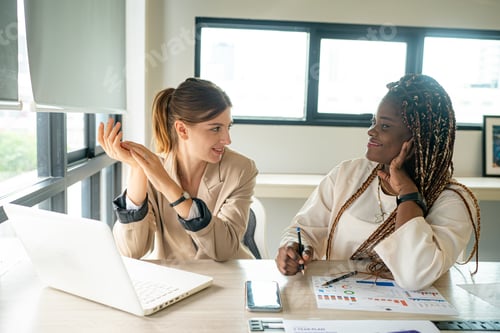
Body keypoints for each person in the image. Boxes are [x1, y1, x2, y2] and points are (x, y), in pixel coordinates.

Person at [275, 74, 480, 290]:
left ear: (417, 139)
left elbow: (415, 276)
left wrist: (408, 195)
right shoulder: (348, 174)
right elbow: (304, 229)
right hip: (343, 299)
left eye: (385, 126)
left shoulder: (452, 200)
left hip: (416, 317)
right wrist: (294, 247)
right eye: (374, 122)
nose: (371, 131)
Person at [98, 77, 258, 260]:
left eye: (228, 127)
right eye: (215, 129)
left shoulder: (241, 169)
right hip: (175, 280)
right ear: (182, 130)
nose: (227, 139)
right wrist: (137, 168)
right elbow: (131, 250)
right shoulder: (151, 170)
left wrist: (168, 186)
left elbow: (224, 250)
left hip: (229, 277)